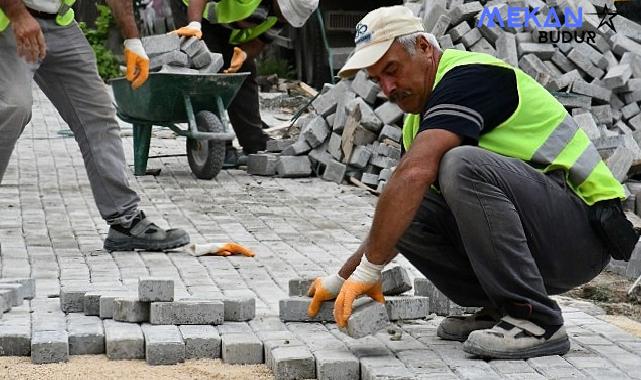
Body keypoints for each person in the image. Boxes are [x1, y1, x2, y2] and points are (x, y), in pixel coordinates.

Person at [307, 5, 639, 359]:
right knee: (407, 201)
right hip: (541, 237)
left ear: (423, 46)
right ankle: (502, 309)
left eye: (392, 70)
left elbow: (416, 173)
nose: (388, 88)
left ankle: (537, 319)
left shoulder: (471, 78)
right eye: (377, 80)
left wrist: (370, 268)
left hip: (581, 236)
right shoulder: (417, 122)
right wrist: (345, 279)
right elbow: (406, 193)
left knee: (459, 164)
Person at [0, 0, 190, 252]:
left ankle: (124, 222)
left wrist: (133, 41)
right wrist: (18, 14)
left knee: (98, 116)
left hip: (59, 23)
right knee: (13, 107)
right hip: (7, 20)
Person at [170, 0, 319, 167]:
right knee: (208, 71)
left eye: (287, 16)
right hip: (193, 8)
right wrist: (195, 25)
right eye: (284, 13)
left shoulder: (280, 17)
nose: (283, 18)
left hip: (226, 26)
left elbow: (259, 42)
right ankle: (216, 145)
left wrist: (243, 55)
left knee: (244, 73)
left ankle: (254, 143)